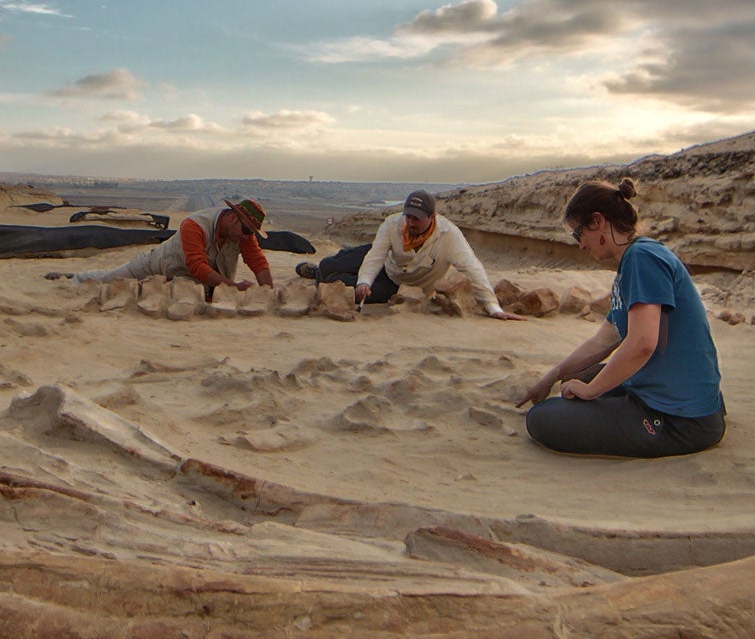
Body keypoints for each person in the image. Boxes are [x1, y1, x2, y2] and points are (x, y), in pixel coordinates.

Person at [520, 177, 725, 458]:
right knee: (576, 377)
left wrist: (592, 392)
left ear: (597, 222)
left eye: (577, 234)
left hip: (679, 419)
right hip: (668, 393)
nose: (580, 245)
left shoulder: (643, 259)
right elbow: (605, 338)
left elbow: (642, 343)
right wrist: (551, 378)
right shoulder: (635, 259)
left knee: (541, 419)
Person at [297, 190, 514, 319]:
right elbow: (375, 257)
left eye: (416, 219)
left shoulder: (448, 235)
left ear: (431, 217)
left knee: (341, 285)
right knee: (328, 266)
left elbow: (472, 268)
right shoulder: (393, 224)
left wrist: (493, 308)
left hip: (398, 283)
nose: (410, 223)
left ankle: (321, 279)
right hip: (382, 262)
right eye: (408, 217)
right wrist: (364, 281)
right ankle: (319, 272)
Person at [44, 197, 273, 298]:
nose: (248, 237)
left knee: (194, 291)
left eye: (251, 233)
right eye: (246, 231)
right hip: (161, 263)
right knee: (114, 279)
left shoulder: (243, 234)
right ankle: (74, 278)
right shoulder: (195, 225)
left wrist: (268, 292)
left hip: (201, 279)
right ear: (233, 218)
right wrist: (233, 286)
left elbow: (257, 261)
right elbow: (197, 266)